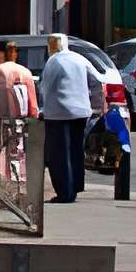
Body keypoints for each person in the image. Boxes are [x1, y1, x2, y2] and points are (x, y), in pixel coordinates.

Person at [37, 32, 98, 202]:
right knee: (76, 150)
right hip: (81, 112)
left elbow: (46, 87)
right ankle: (76, 186)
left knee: (59, 154)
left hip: (59, 113)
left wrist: (43, 109)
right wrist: (94, 104)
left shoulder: (54, 61)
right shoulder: (80, 59)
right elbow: (95, 80)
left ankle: (65, 192)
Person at [0, 40, 41, 189]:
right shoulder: (26, 72)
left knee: (2, 151)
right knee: (19, 151)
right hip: (21, 120)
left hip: (1, 119)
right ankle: (19, 182)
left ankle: (3, 182)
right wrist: (34, 117)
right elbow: (33, 102)